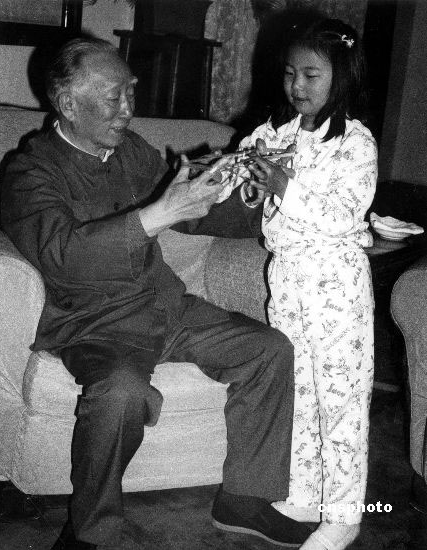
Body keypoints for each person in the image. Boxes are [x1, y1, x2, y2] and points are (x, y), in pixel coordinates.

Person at [0, 37, 315, 550]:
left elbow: (194, 213)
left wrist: (253, 197)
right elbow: (63, 255)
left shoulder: (130, 150)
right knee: (121, 394)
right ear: (68, 104)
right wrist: (161, 211)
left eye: (131, 91)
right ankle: (89, 532)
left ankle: (244, 499)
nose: (128, 108)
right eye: (113, 97)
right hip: (94, 322)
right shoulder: (28, 172)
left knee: (269, 350)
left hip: (164, 305)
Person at [219, 15, 378, 550]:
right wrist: (226, 172)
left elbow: (342, 214)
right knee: (302, 391)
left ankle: (345, 514)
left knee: (341, 399)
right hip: (287, 276)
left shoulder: (356, 142)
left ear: (342, 76)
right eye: (290, 74)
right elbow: (244, 179)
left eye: (312, 75)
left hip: (335, 282)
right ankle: (306, 494)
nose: (297, 86)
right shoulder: (276, 133)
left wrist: (286, 185)